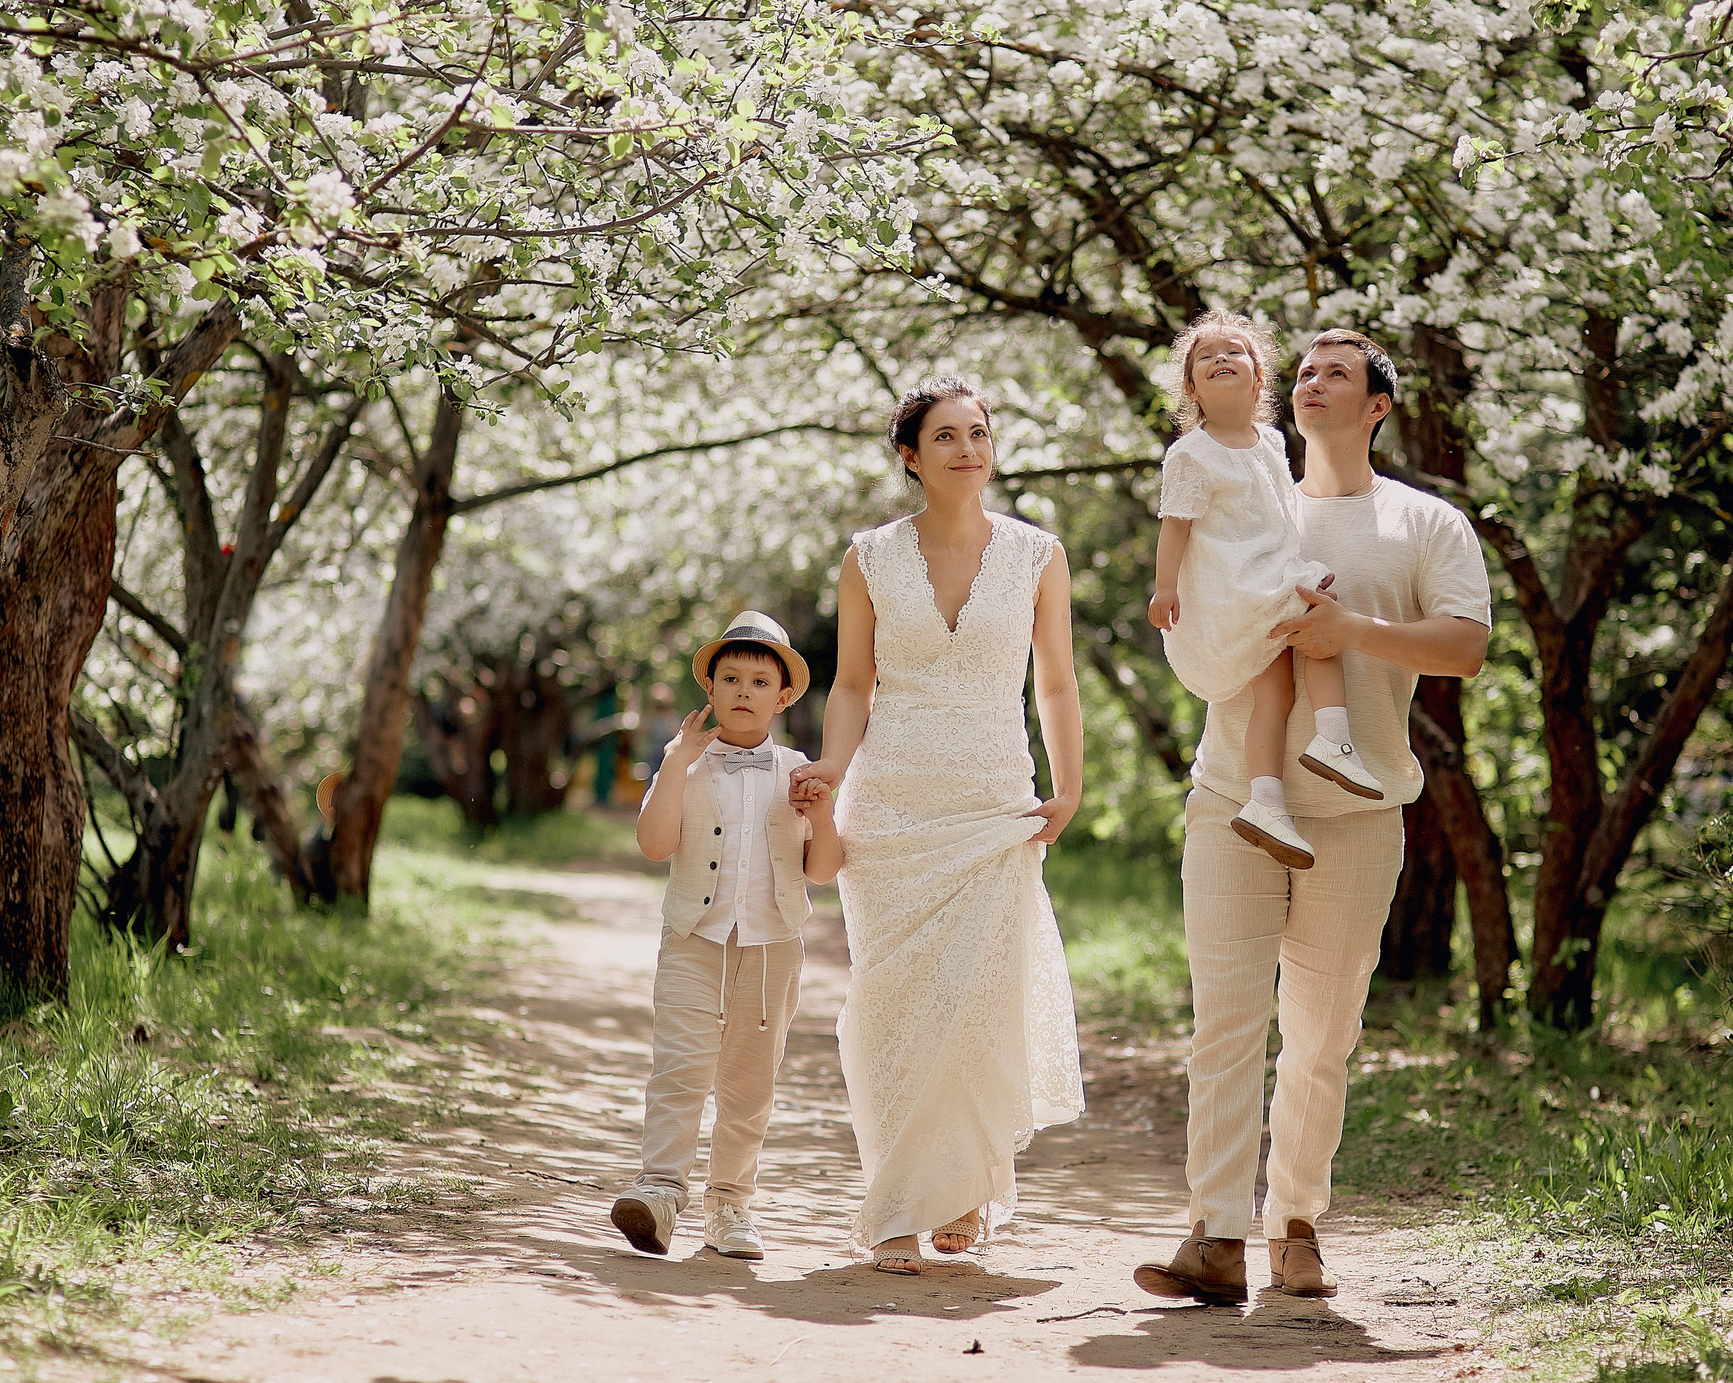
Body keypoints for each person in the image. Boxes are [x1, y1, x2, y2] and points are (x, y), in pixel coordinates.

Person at [1133, 329, 1491, 1305]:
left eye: (1335, 371)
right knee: (1224, 1025)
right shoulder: (1245, 490)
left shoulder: (1421, 522)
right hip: (1228, 805)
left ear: (1378, 404)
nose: (1309, 381)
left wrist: (1352, 632)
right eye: (1299, 370)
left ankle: (1294, 1223)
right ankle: (1212, 1236)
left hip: (1358, 812)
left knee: (1321, 1035)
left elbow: (1464, 646)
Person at [790, 375, 1087, 1276]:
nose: (969, 448)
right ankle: (893, 1204)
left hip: (995, 801)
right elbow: (849, 685)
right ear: (912, 457)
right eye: (948, 436)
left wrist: (1069, 788)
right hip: (891, 806)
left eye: (981, 432)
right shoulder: (869, 558)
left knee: (979, 1000)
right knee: (890, 1004)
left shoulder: (1039, 554)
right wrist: (834, 773)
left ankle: (962, 1190)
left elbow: (1058, 682)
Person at [610, 611, 843, 1262]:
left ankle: (732, 1203)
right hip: (693, 936)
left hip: (772, 947)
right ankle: (658, 1191)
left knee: (748, 1082)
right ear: (709, 689)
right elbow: (655, 843)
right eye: (730, 677)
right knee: (680, 1065)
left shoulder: (798, 771)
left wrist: (820, 813)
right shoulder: (686, 766)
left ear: (783, 695)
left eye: (759, 680)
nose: (744, 690)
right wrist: (677, 762)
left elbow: (822, 869)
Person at [1147, 311, 1382, 872]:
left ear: (1259, 378)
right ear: (1192, 387)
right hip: (1237, 585)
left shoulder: (1271, 441)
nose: (1221, 359)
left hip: (1272, 572)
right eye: (1206, 357)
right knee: (1320, 623)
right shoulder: (1191, 455)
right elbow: (1175, 525)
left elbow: (1280, 510)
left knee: (1277, 691)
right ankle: (1334, 738)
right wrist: (1164, 587)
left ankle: (1266, 801)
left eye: (1235, 352)